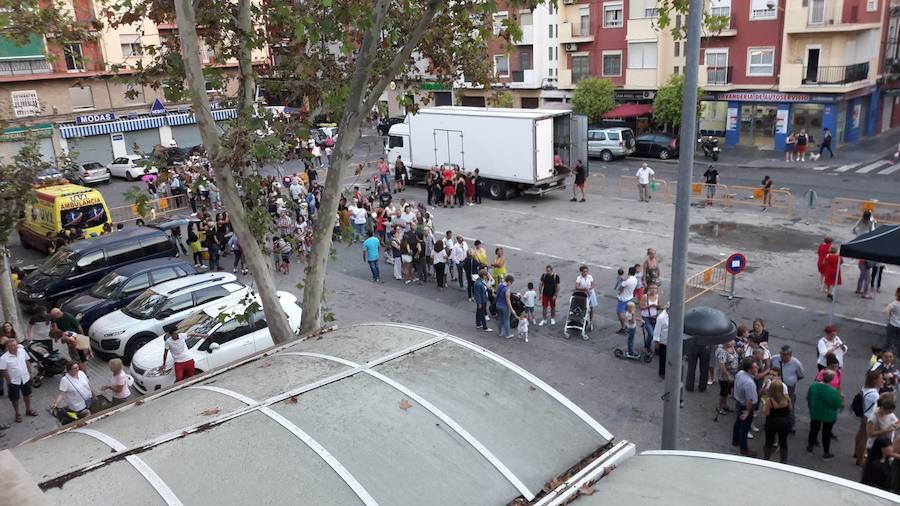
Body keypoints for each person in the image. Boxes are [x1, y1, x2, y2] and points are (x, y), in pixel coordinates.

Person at [806, 369, 842, 459]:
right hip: (828, 415)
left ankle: (810, 446)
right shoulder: (833, 391)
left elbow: (808, 397)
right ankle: (826, 452)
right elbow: (837, 404)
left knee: (813, 429)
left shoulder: (813, 386)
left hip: (815, 412)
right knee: (826, 433)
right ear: (831, 379)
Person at [0, 339, 37, 423]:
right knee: (15, 399)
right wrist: (9, 381)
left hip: (25, 378)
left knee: (27, 395)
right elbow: (3, 371)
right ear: (7, 347)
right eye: (12, 345)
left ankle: (28, 410)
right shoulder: (3, 358)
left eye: (16, 345)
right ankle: (17, 414)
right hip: (14, 382)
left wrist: (29, 371)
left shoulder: (22, 351)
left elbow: (27, 360)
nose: (15, 347)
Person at [771, 345, 804, 432]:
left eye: (784, 355)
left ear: (790, 355)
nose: (782, 357)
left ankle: (790, 425)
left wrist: (791, 381)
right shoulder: (774, 359)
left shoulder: (796, 363)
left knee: (789, 406)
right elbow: (770, 368)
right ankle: (772, 422)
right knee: (774, 405)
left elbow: (800, 375)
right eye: (781, 354)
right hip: (776, 386)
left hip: (789, 388)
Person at [856, 371, 886, 465]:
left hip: (864, 415)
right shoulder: (874, 394)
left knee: (860, 435)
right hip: (868, 417)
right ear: (874, 380)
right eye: (881, 379)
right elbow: (879, 408)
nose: (883, 381)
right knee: (864, 439)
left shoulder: (865, 388)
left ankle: (857, 453)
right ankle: (860, 460)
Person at [733, 357, 759, 457]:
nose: (757, 369)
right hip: (746, 406)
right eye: (755, 367)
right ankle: (744, 449)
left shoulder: (740, 373)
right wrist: (748, 411)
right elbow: (749, 400)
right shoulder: (749, 383)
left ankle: (735, 440)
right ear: (749, 369)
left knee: (737, 423)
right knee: (744, 428)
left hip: (739, 402)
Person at [763, 378, 792, 463]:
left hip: (771, 423)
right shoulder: (787, 398)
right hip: (784, 423)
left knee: (769, 441)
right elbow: (790, 408)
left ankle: (766, 460)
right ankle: (783, 462)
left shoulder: (770, 400)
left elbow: (766, 413)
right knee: (783, 442)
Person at [716, 340, 739, 414]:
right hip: (725, 376)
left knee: (727, 391)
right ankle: (720, 407)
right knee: (724, 392)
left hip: (733, 375)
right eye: (730, 341)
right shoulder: (722, 352)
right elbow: (722, 366)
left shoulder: (731, 348)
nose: (732, 342)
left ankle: (724, 405)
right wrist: (727, 376)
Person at [639, 284, 661, 354]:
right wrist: (651, 305)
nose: (654, 290)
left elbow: (658, 306)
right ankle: (647, 347)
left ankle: (648, 345)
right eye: (652, 289)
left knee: (655, 334)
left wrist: (658, 306)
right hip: (646, 317)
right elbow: (641, 308)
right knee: (651, 334)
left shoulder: (657, 296)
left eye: (655, 289)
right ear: (649, 289)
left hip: (654, 317)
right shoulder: (645, 297)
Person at [576, 265, 598, 331]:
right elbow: (577, 287)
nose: (585, 273)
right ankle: (583, 321)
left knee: (591, 308)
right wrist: (584, 289)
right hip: (583, 295)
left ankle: (590, 322)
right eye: (584, 271)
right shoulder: (579, 278)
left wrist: (589, 288)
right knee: (583, 308)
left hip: (590, 294)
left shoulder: (590, 277)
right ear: (581, 272)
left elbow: (593, 284)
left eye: (586, 271)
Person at [616, 266, 638, 335]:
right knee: (629, 312)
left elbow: (620, 288)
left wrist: (619, 293)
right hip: (630, 297)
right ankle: (629, 325)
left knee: (620, 313)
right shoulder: (635, 279)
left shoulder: (627, 281)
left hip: (623, 299)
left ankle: (623, 327)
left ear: (629, 272)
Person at [653, 306, 669, 379]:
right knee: (663, 357)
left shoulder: (674, 315)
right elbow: (657, 330)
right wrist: (657, 342)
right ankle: (662, 372)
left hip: (671, 340)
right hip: (664, 341)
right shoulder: (661, 318)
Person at [885, 288, 900, 355]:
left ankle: (887, 352)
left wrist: (889, 313)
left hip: (892, 324)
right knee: (898, 340)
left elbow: (885, 310)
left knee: (889, 340)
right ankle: (896, 352)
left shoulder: (894, 304)